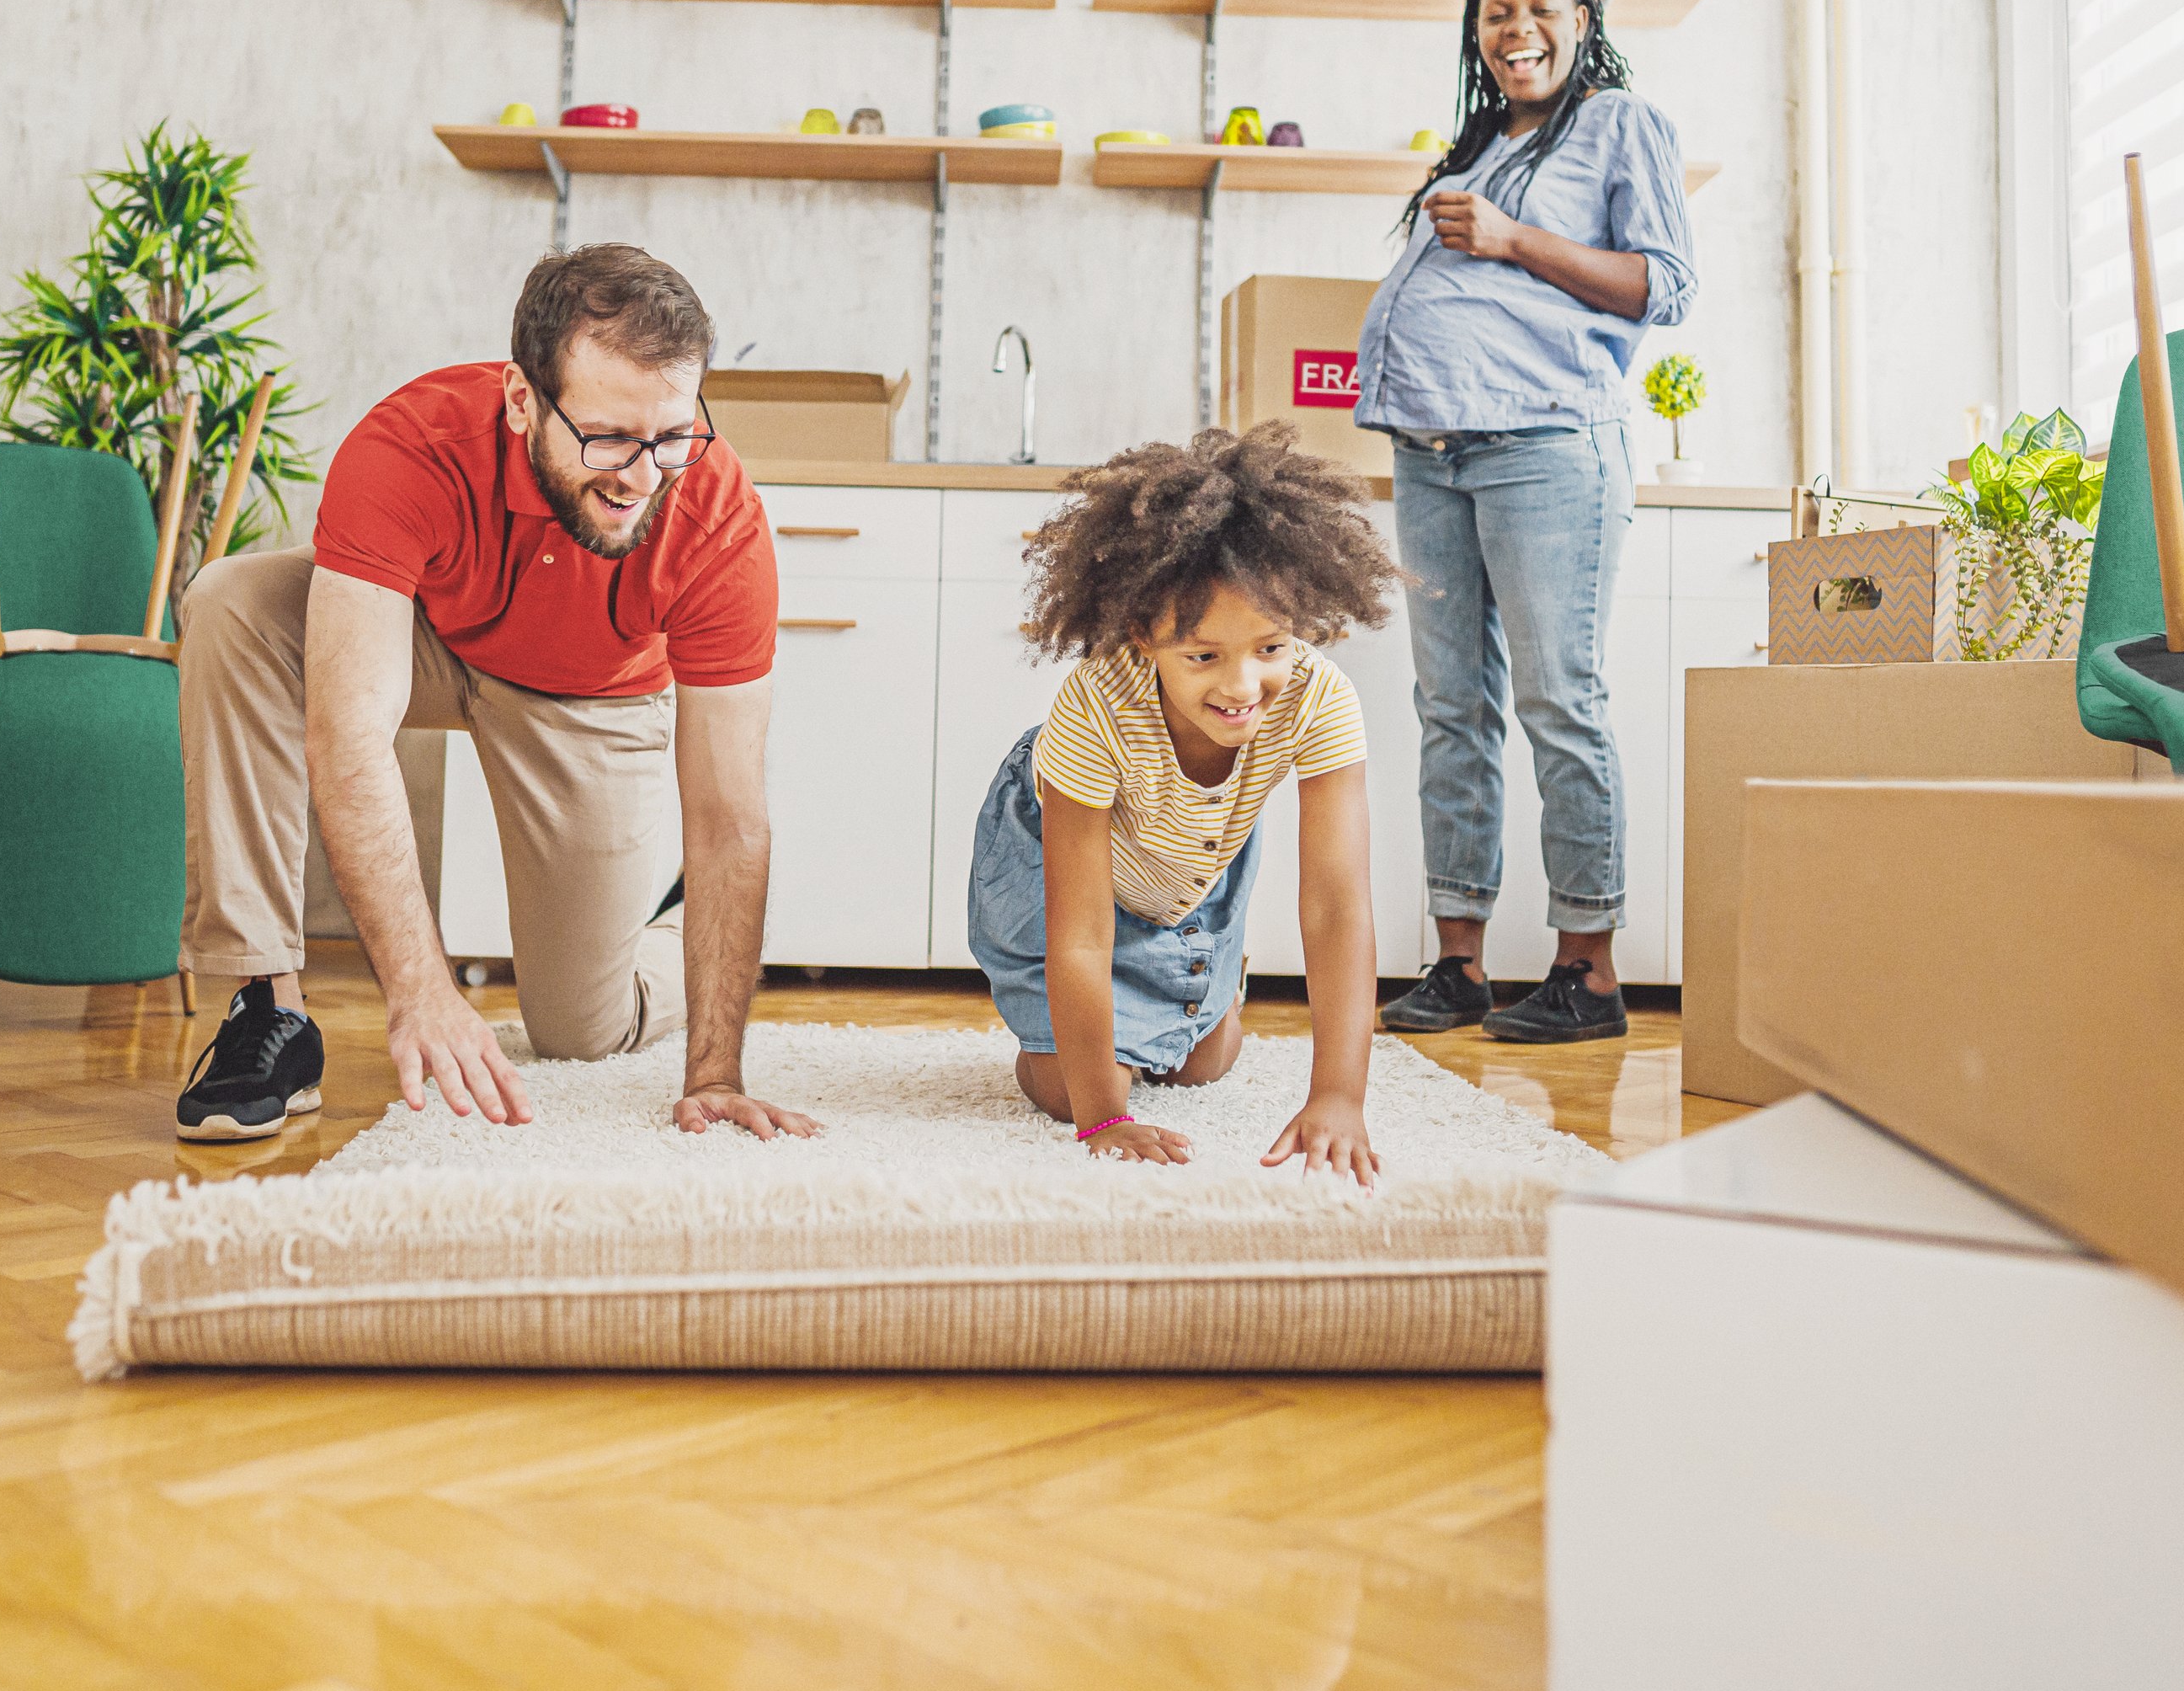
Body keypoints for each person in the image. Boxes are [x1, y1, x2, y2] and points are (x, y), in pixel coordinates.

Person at [168, 243, 819, 1146]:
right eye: (606, 437)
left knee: (583, 1032)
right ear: (522, 401)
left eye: (669, 436)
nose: (640, 476)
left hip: (594, 698)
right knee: (234, 604)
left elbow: (727, 818)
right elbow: (348, 736)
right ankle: (264, 1008)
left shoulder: (716, 518)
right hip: (436, 640)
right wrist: (421, 989)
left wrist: (714, 1071)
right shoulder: (413, 444)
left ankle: (670, 922)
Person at [1355, 0, 1698, 1046]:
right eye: (1495, 14)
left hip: (1548, 447)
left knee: (1561, 698)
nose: (1516, 32)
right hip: (1433, 448)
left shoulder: (1620, 126)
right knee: (1448, 705)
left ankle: (1587, 972)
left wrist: (1512, 239)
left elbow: (1662, 284)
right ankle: (1459, 962)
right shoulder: (1475, 145)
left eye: (1539, 9)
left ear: (1584, 17)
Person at [967, 426, 1401, 1177]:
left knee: (1201, 1064)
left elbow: (1336, 904)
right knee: (1068, 1091)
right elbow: (1079, 936)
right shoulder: (1097, 703)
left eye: (1270, 647)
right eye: (1203, 656)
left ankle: (1198, 988)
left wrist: (1338, 1094)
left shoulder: (1319, 698)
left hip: (1193, 858)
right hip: (1058, 857)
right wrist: (1103, 1113)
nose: (1240, 687)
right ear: (1143, 633)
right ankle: (1108, 1046)